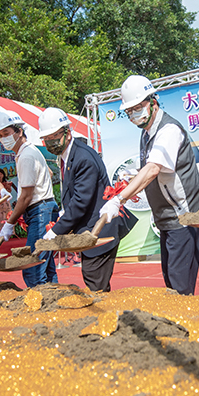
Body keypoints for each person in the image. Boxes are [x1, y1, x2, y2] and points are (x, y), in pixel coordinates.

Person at [99, 75, 199, 295]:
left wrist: (118, 199)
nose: (133, 114)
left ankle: (188, 325)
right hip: (167, 218)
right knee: (171, 282)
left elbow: (153, 169)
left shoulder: (168, 130)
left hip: (184, 217)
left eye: (137, 107)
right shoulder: (147, 133)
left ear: (153, 101)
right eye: (129, 111)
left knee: (180, 287)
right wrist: (135, 177)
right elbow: (153, 170)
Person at [38, 107, 136, 292]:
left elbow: (81, 202)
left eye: (54, 136)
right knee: (92, 278)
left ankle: (107, 318)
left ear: (67, 132)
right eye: (47, 139)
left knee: (95, 283)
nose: (51, 142)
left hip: (99, 229)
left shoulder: (83, 158)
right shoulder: (69, 156)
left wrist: (56, 231)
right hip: (89, 229)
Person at [0, 110, 58, 287]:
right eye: (0, 135)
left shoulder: (27, 156)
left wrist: (10, 222)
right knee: (45, 260)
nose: (3, 138)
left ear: (19, 131)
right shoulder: (29, 151)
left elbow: (26, 196)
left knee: (32, 264)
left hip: (40, 210)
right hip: (44, 206)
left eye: (6, 133)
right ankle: (55, 297)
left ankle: (38, 302)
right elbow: (50, 173)